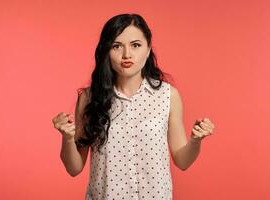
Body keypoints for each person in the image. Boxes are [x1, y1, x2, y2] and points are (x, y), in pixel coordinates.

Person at [52, 13, 215, 200]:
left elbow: (182, 161)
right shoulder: (90, 99)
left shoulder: (168, 96)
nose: (126, 54)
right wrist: (67, 137)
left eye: (135, 45)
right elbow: (74, 168)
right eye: (116, 46)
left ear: (147, 50)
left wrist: (195, 140)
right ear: (106, 51)